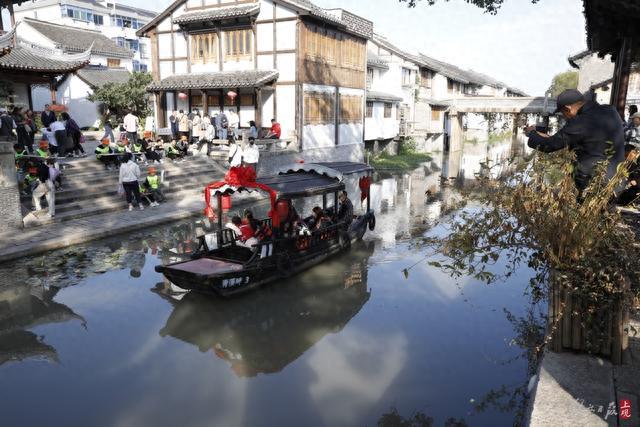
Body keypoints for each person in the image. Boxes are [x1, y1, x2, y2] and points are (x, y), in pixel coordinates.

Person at [525, 89, 625, 192]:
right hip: (616, 181)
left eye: (563, 113)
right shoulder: (610, 110)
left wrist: (531, 133)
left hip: (594, 186)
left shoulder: (581, 122)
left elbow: (549, 145)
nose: (564, 117)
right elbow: (585, 139)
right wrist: (547, 137)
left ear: (568, 108)